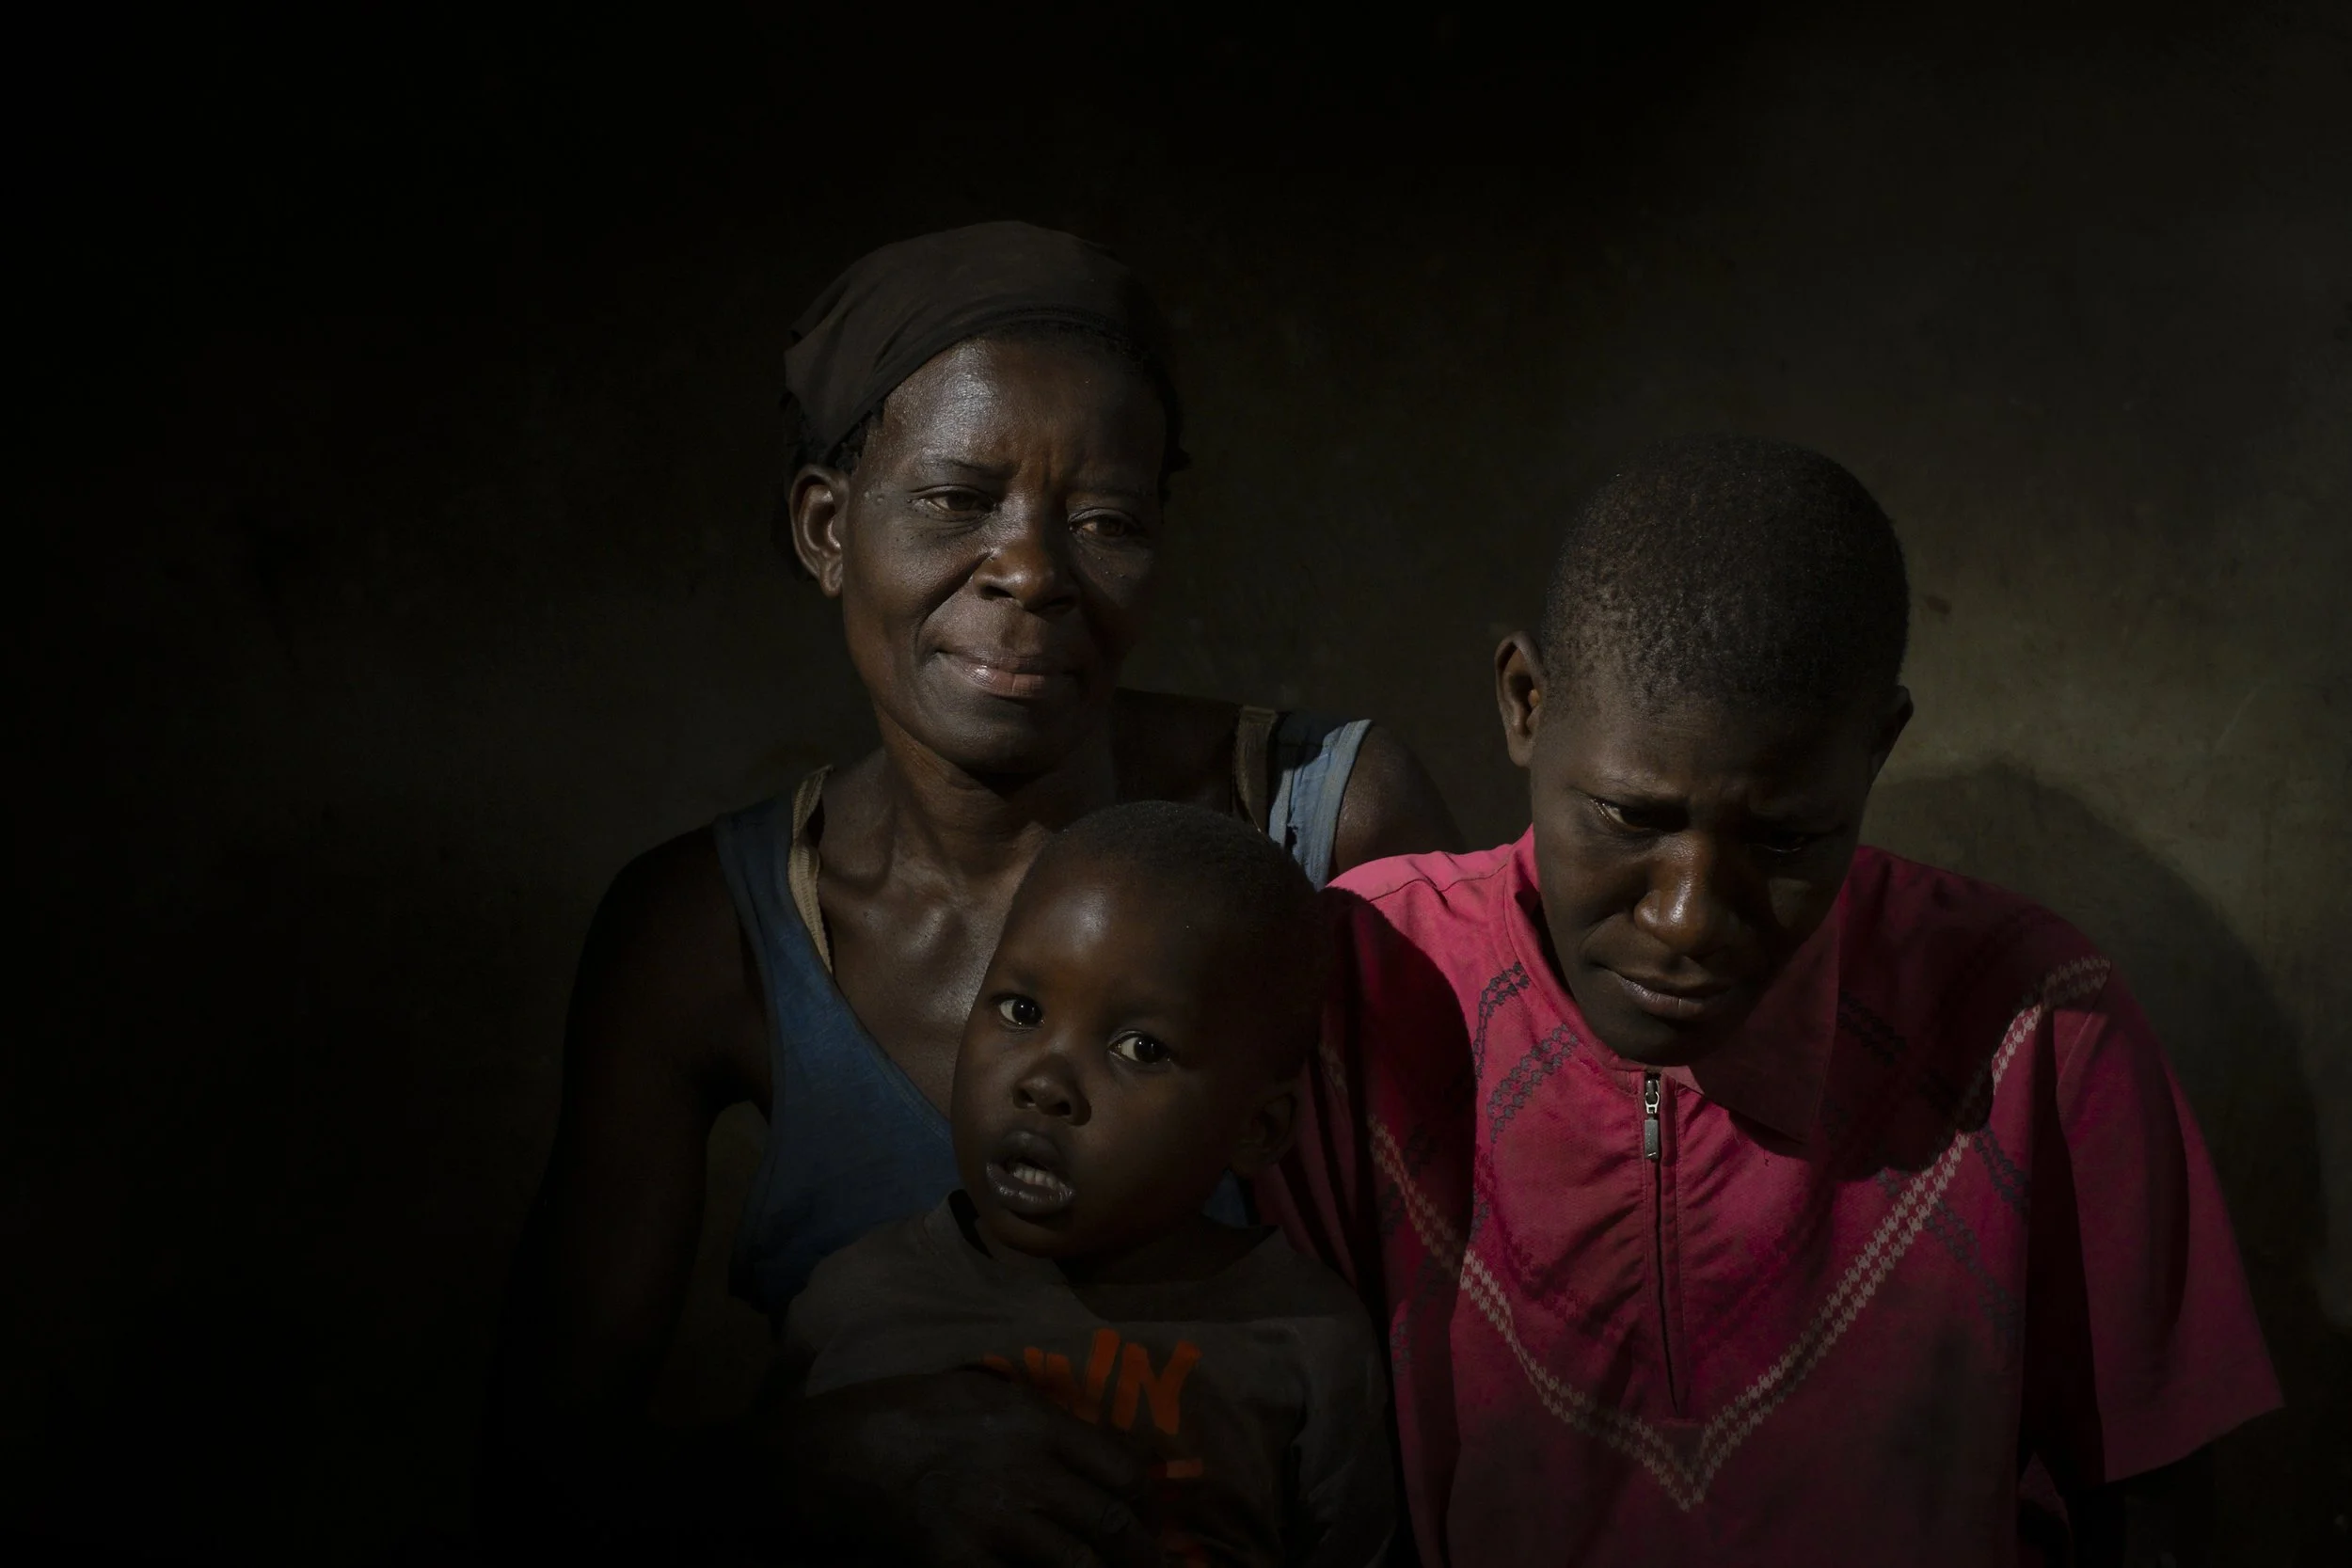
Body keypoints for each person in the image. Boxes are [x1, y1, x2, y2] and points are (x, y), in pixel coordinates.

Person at [478, 222, 1459, 1563]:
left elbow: (1503, 1349)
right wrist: (825, 1467)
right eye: (955, 499)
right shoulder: (704, 935)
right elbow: (537, 1472)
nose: (1033, 571)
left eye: (1105, 520)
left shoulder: (1324, 827)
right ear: (829, 529)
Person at [1258, 436, 2281, 1567]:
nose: (1692, 918)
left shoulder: (2033, 1022)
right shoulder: (1362, 985)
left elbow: (2156, 1511)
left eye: (1786, 837)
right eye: (1631, 818)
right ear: (1524, 701)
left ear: (1875, 750)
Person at [776, 801, 1392, 1568]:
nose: (1045, 1082)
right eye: (1022, 1009)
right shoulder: (854, 1300)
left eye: (1139, 1047)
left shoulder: (1305, 1340)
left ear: (1257, 1129)